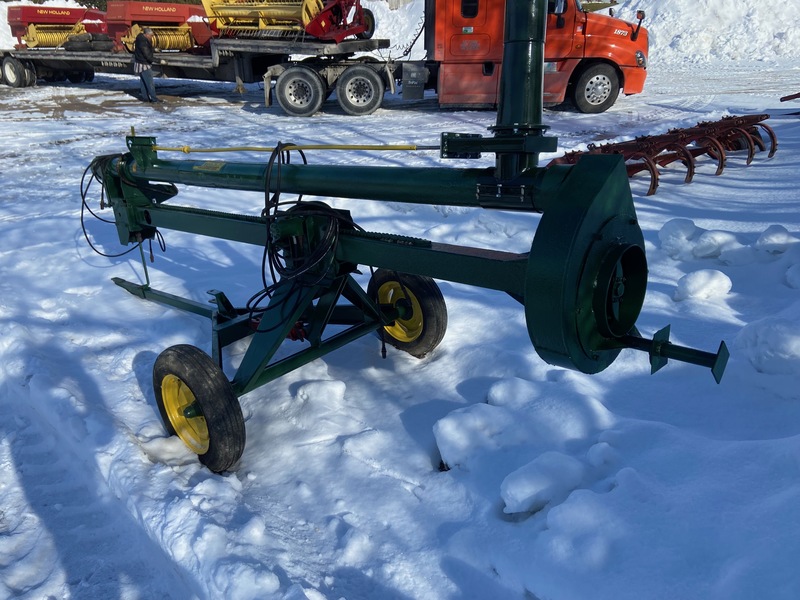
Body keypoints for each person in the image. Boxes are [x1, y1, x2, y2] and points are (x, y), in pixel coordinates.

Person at [133, 28, 158, 103]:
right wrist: (158, 60)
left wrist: (153, 49)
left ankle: (145, 98)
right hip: (144, 64)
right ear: (147, 35)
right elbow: (147, 54)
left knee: (143, 82)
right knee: (149, 83)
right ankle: (154, 99)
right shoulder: (143, 42)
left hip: (139, 63)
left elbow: (147, 49)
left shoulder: (141, 38)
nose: (152, 37)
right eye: (151, 36)